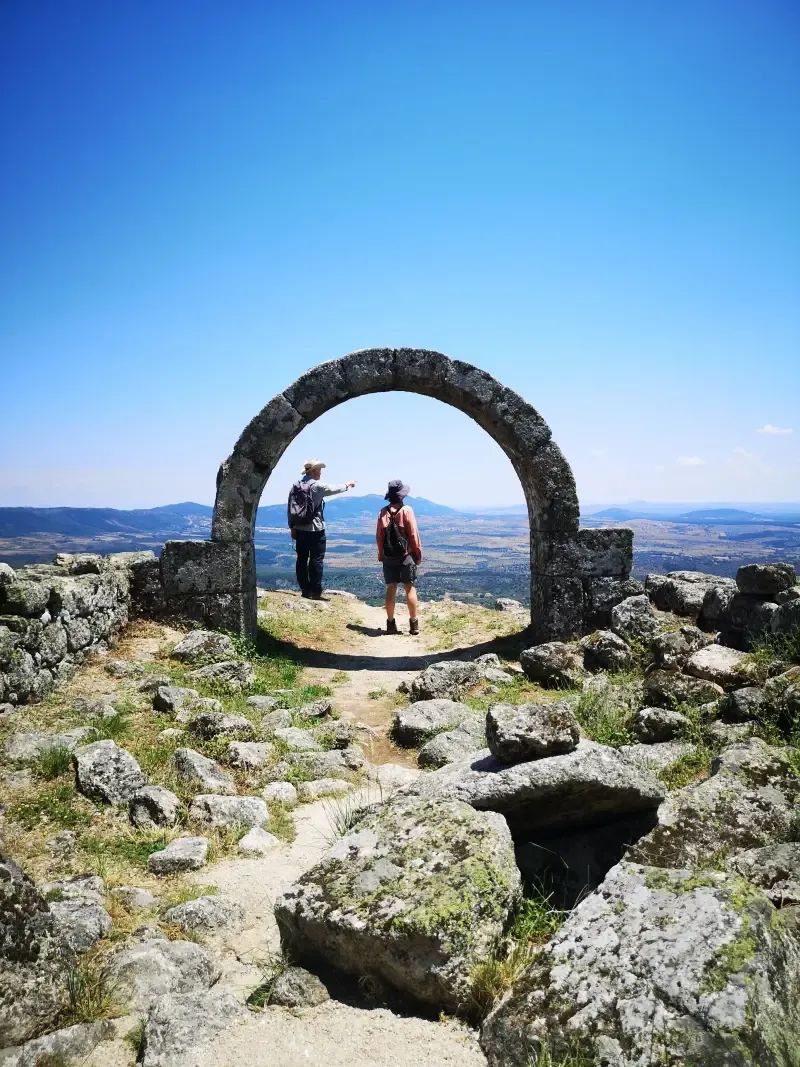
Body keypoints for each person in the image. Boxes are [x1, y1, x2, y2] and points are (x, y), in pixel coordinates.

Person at [288, 460, 356, 599]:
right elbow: (333, 489)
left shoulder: (295, 486)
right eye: (319, 470)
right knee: (316, 559)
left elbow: (290, 507)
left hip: (299, 528)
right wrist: (347, 484)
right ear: (314, 471)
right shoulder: (317, 486)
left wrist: (292, 526)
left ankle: (305, 590)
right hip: (315, 529)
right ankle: (316, 591)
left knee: (301, 559)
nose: (320, 472)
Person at [376, 479, 422, 635]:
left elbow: (379, 537)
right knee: (409, 587)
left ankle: (390, 624)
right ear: (402, 495)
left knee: (391, 588)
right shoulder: (407, 510)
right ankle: (414, 625)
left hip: (389, 557)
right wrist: (417, 554)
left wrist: (381, 555)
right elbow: (413, 535)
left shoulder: (382, 512)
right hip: (406, 556)